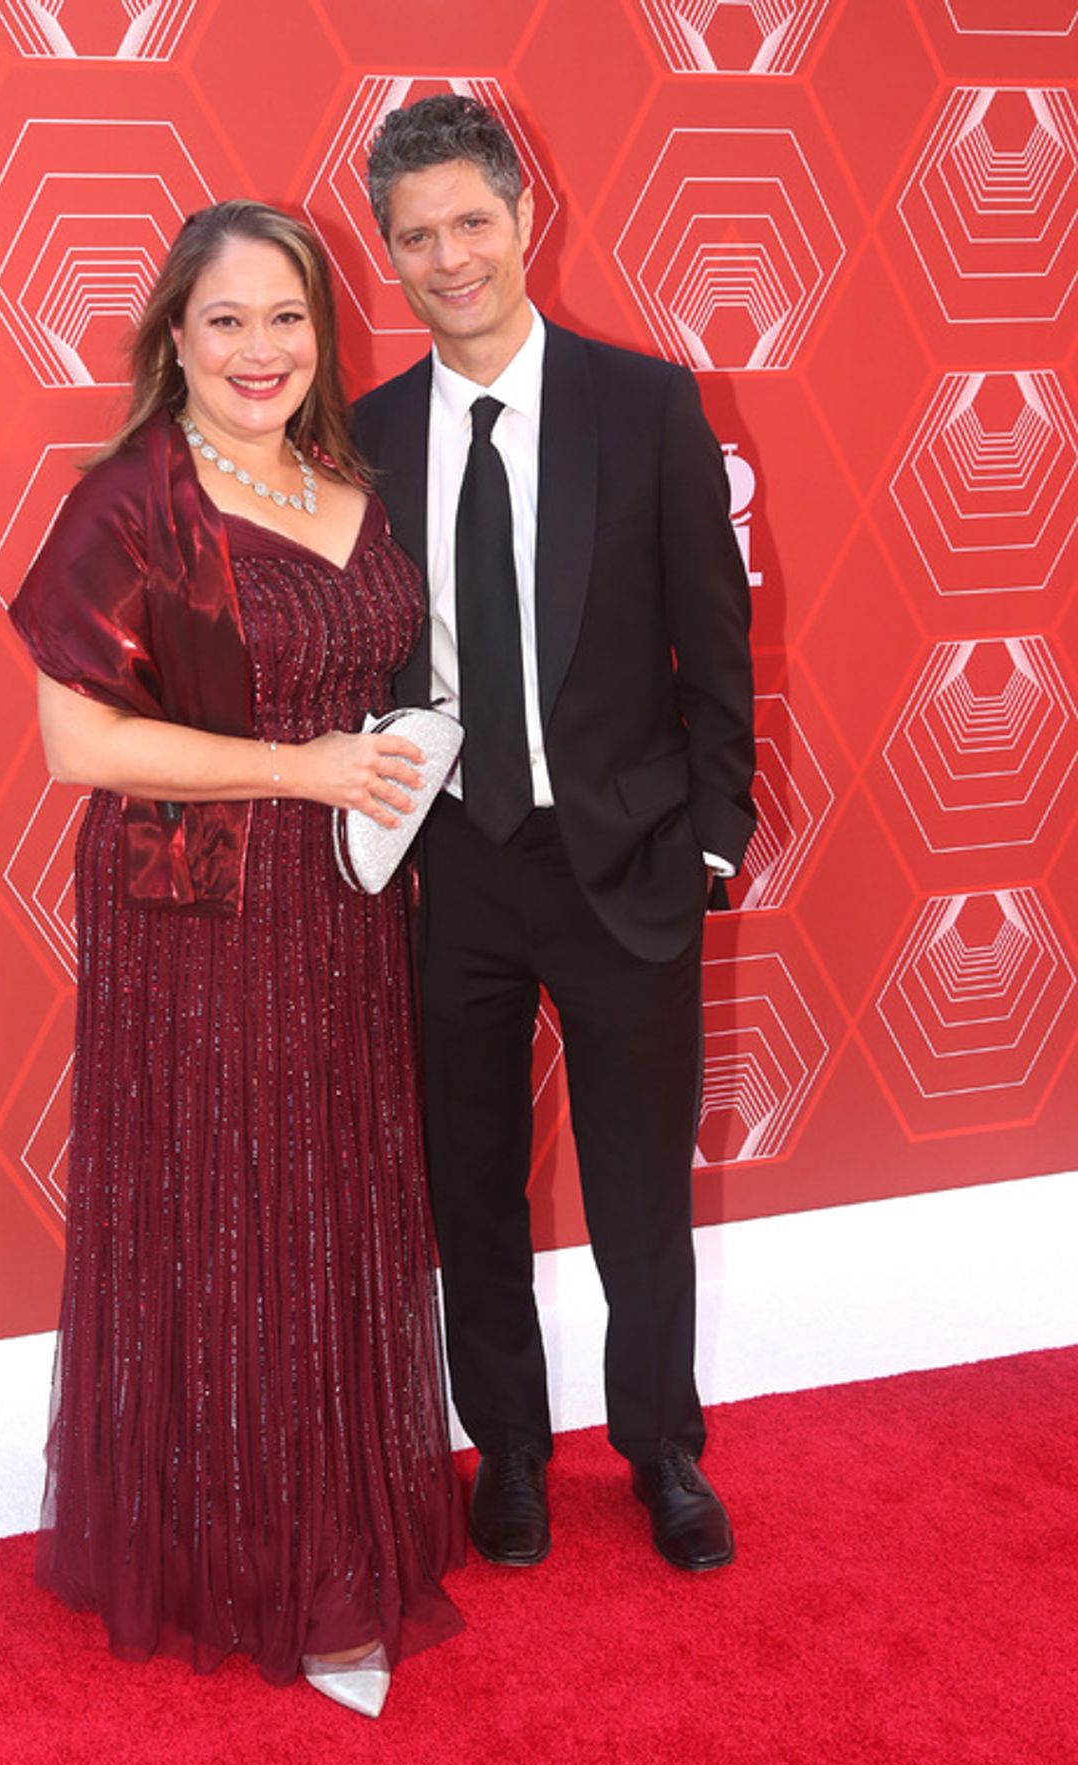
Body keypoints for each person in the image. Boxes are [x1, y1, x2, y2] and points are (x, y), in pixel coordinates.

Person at [9, 199, 464, 1719]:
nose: (260, 349)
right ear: (175, 338)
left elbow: (374, 675)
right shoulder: (130, 500)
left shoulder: (349, 481)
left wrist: (396, 759)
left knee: (331, 1212)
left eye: (287, 318)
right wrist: (304, 772)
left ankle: (330, 1528)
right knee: (233, 1220)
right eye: (227, 320)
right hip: (197, 919)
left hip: (345, 911)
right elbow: (79, 743)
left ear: (322, 332)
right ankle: (270, 1570)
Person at [354, 96, 756, 1573]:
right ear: (389, 255)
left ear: (529, 219)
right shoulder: (367, 438)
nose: (450, 257)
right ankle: (510, 1451)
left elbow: (716, 641)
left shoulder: (643, 406)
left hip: (626, 862)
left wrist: (712, 841)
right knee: (469, 1183)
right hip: (453, 868)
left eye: (473, 221)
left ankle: (662, 1450)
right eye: (418, 236)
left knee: (640, 1185)